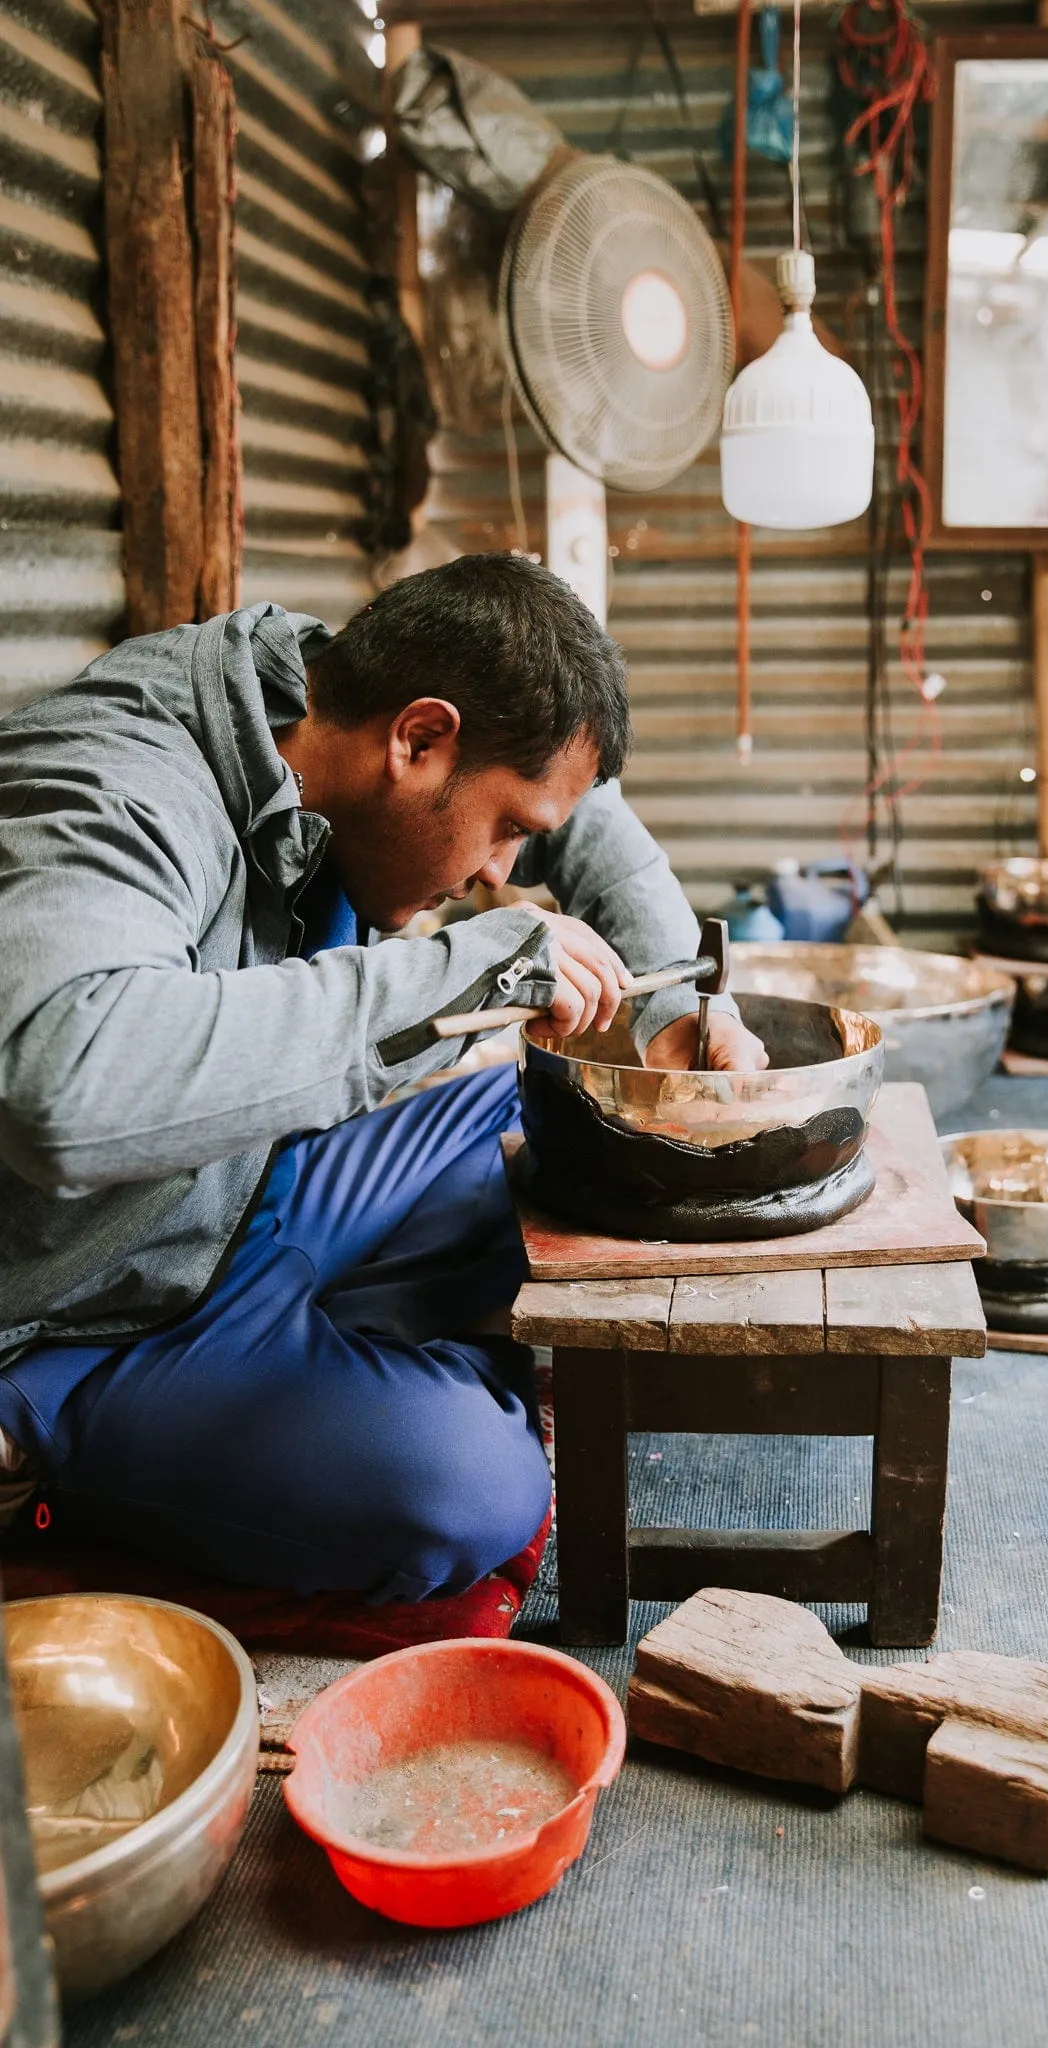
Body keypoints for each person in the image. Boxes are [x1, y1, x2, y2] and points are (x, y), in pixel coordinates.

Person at [0, 554, 766, 1602]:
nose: (504, 870)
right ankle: (45, 1443)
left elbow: (574, 810)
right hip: (86, 1311)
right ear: (417, 739)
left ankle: (335, 1352)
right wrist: (474, 964)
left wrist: (675, 1013)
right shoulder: (116, 779)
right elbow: (63, 1087)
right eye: (504, 831)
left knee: (556, 1113)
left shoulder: (332, 692)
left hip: (243, 1186)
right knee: (473, 1491)